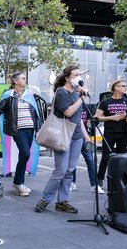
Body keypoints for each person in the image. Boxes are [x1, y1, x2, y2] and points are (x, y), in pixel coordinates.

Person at [35, 65, 91, 213]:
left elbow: (78, 119)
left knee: (69, 171)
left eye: (80, 74)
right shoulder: (61, 92)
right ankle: (45, 199)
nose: (79, 78)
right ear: (67, 77)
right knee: (60, 170)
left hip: (77, 137)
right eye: (76, 75)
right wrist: (82, 98)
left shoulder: (76, 93)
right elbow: (68, 111)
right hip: (62, 136)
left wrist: (87, 138)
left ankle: (62, 201)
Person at [0, 71, 43, 196]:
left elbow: (36, 115)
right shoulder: (8, 96)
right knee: (25, 153)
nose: (25, 80)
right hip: (18, 130)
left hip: (30, 129)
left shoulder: (30, 95)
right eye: (23, 78)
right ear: (15, 81)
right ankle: (18, 182)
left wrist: (38, 130)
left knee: (25, 155)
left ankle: (19, 182)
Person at [95, 79, 127, 187]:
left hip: (124, 132)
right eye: (123, 86)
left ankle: (123, 180)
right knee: (106, 157)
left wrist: (125, 115)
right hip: (109, 133)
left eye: (125, 86)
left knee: (122, 157)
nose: (125, 88)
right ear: (116, 87)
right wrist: (112, 117)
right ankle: (99, 181)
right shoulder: (105, 102)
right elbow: (98, 117)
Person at [70, 101, 104, 194]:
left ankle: (94, 185)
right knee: (73, 161)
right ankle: (72, 182)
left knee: (91, 161)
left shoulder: (85, 106)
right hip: (73, 136)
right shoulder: (71, 104)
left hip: (85, 137)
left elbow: (88, 122)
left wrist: (90, 134)